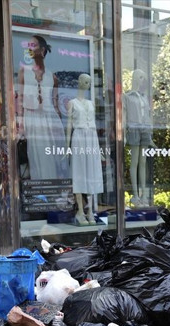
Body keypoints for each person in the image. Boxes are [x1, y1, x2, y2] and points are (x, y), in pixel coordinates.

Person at [16, 35, 66, 181]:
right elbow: (20, 99)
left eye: (33, 45)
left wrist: (59, 125)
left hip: (49, 119)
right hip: (32, 118)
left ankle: (54, 188)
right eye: (29, 45)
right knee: (35, 156)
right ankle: (40, 191)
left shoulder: (52, 76)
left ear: (42, 50)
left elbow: (55, 103)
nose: (30, 48)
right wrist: (21, 124)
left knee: (52, 156)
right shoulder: (23, 72)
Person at [66, 73, 103, 225]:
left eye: (89, 82)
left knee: (92, 172)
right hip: (79, 137)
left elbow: (94, 125)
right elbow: (69, 124)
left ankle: (90, 211)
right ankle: (80, 211)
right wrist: (67, 145)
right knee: (79, 172)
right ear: (79, 82)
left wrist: (99, 150)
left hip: (92, 138)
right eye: (85, 81)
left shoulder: (91, 103)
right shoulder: (72, 103)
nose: (87, 84)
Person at [123, 69, 153, 207]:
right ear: (135, 78)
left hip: (144, 129)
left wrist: (150, 133)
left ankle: (144, 195)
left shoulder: (144, 97)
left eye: (144, 78)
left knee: (143, 161)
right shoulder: (127, 96)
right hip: (133, 128)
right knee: (134, 162)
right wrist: (123, 133)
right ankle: (135, 195)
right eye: (141, 77)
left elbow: (148, 115)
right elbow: (124, 116)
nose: (143, 80)